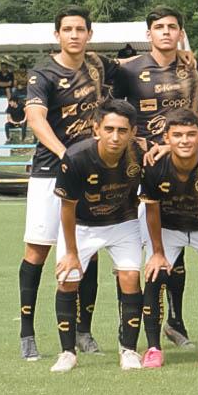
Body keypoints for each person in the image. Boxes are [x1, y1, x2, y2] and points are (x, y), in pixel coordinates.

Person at [111, 6, 198, 348]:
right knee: (133, 248)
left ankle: (175, 320)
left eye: (172, 27)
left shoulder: (191, 67)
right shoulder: (131, 70)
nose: (166, 32)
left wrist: (197, 126)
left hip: (181, 163)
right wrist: (137, 141)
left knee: (175, 243)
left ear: (180, 33)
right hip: (139, 164)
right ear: (149, 34)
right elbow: (112, 108)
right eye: (159, 27)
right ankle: (128, 324)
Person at [19, 7, 113, 361]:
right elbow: (35, 119)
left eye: (80, 29)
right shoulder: (43, 73)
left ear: (90, 34)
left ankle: (83, 331)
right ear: (57, 34)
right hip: (50, 171)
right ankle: (27, 333)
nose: (74, 35)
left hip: (92, 171)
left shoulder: (98, 65)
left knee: (88, 249)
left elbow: (136, 66)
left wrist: (181, 55)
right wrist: (64, 154)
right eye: (68, 29)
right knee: (37, 250)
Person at [50, 99, 147, 373]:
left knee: (130, 277)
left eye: (122, 131)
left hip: (123, 221)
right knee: (67, 279)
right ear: (96, 129)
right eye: (109, 129)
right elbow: (67, 208)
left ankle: (128, 350)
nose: (115, 137)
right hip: (81, 225)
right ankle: (67, 352)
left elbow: (169, 152)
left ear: (133, 132)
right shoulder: (76, 158)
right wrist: (71, 253)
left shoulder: (140, 153)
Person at [140, 110, 198, 369]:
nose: (184, 140)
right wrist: (157, 252)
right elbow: (152, 211)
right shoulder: (154, 165)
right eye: (178, 135)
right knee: (155, 273)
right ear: (166, 138)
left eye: (191, 134)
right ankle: (153, 349)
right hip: (168, 228)